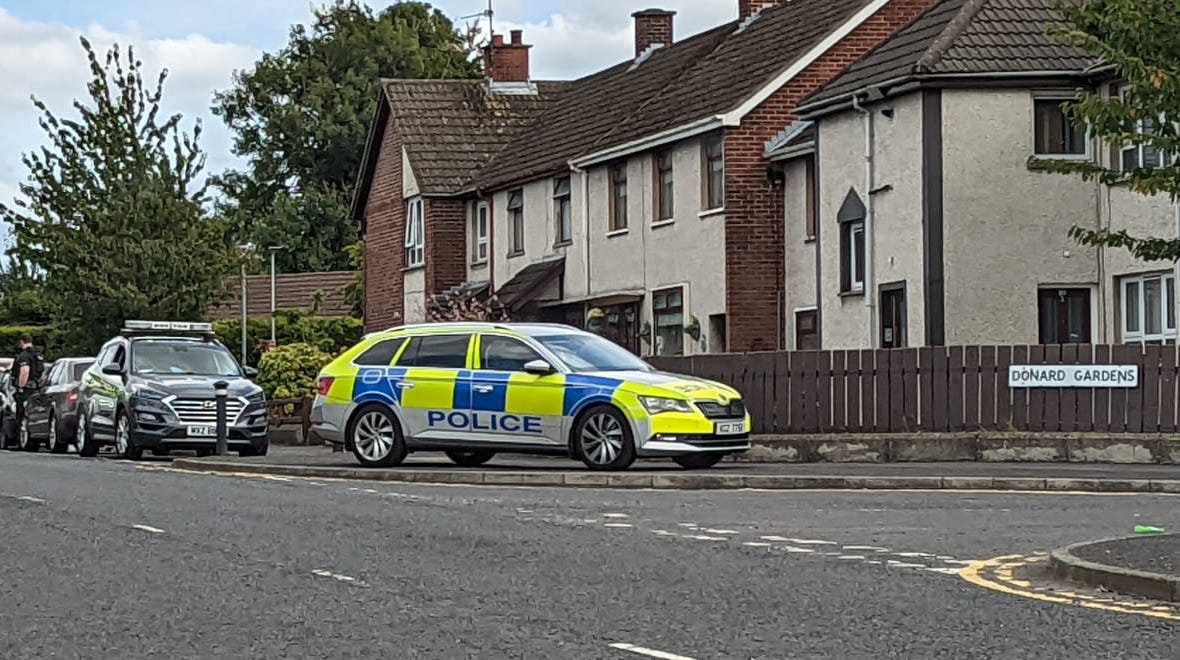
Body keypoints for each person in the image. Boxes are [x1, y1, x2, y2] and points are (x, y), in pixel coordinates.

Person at [11, 334, 43, 445]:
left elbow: (24, 371)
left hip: (26, 390)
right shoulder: (37, 356)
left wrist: (21, 387)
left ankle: (22, 441)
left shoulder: (24, 356)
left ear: (22, 341)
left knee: (22, 415)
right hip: (36, 389)